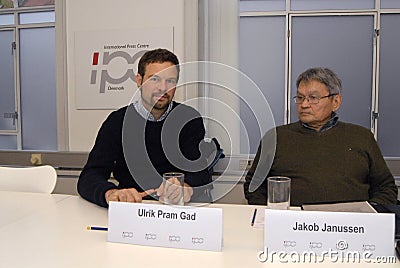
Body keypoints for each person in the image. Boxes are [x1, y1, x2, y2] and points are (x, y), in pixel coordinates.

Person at [78, 48, 213, 208]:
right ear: (139, 80)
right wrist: (111, 194)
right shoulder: (118, 121)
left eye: (170, 81)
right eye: (154, 79)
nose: (163, 87)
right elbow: (90, 176)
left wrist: (187, 188)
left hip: (177, 210)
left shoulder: (188, 119)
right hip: (132, 208)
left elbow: (201, 172)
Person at [244, 67, 398, 206]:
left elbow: (386, 187)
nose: (304, 104)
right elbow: (254, 186)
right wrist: (272, 215)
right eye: (300, 97)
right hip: (293, 226)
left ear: (335, 101)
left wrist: (369, 215)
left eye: (313, 98)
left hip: (351, 227)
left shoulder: (361, 137)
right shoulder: (275, 138)